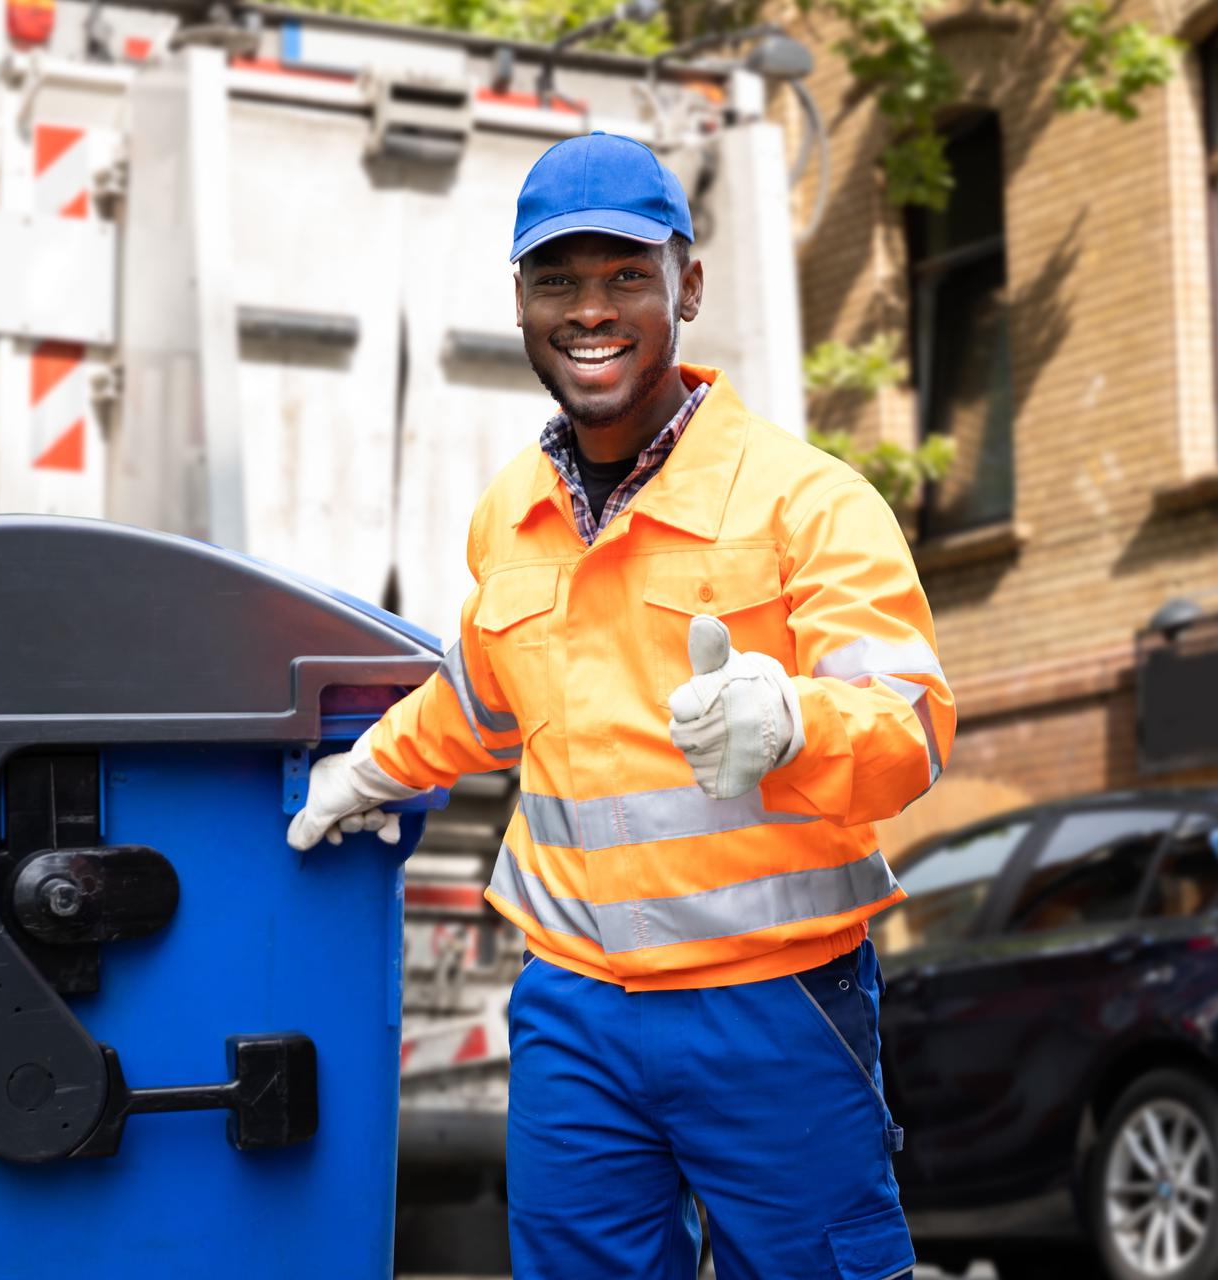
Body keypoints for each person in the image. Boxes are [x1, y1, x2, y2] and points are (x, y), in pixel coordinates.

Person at [287, 133, 953, 1280]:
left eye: (625, 277)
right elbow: (487, 693)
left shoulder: (807, 499)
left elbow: (910, 727)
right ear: (520, 301)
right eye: (558, 281)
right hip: (574, 1012)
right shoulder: (515, 512)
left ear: (686, 285)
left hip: (775, 1003)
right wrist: (372, 767)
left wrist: (794, 721)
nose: (590, 309)